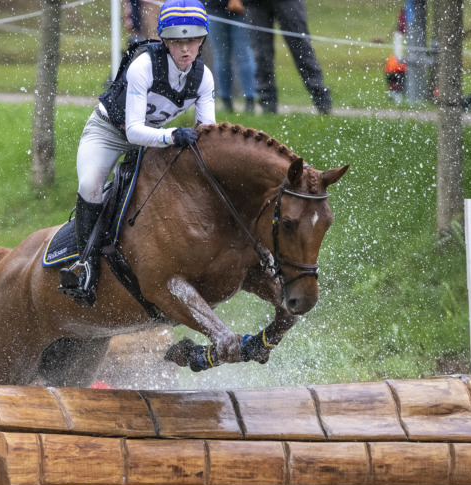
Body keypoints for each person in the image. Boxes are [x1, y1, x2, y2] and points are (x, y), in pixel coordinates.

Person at [59, 0, 217, 305]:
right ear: (165, 41)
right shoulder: (144, 65)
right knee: (90, 185)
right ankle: (85, 267)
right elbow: (132, 130)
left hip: (153, 139)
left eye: (193, 41)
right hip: (109, 132)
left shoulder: (203, 77)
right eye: (177, 42)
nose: (186, 50)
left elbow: (206, 132)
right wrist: (173, 135)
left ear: (202, 40)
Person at [243, 0, 332, 114]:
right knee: (261, 55)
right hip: (254, 4)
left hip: (288, 2)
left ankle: (322, 102)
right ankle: (267, 106)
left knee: (301, 49)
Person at [205, 0, 257, 113]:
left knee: (244, 54)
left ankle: (250, 100)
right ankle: (226, 100)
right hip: (214, 8)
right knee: (221, 56)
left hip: (241, 9)